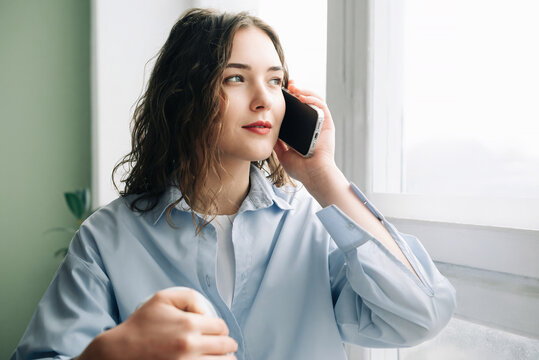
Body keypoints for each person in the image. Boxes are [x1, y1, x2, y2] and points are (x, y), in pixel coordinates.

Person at [11, 8, 456, 360]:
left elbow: (423, 314)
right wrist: (109, 355)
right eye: (236, 78)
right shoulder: (106, 240)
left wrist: (323, 177)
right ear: (185, 96)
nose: (264, 98)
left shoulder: (313, 226)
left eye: (276, 81)